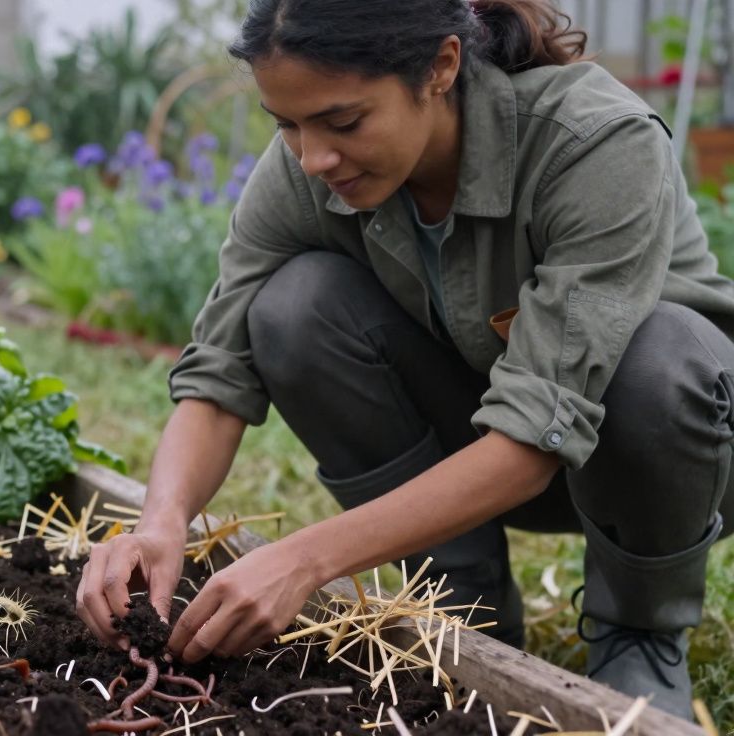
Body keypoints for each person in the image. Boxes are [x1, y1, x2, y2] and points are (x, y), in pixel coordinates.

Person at [74, 0, 734, 720]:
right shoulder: (306, 168)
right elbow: (217, 371)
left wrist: (306, 559)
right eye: (286, 124)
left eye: (344, 121)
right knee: (292, 308)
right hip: (491, 457)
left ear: (441, 68)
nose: (313, 157)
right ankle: (464, 603)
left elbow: (534, 435)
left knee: (656, 357)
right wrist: (160, 522)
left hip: (677, 461)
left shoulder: (591, 142)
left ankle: (638, 630)